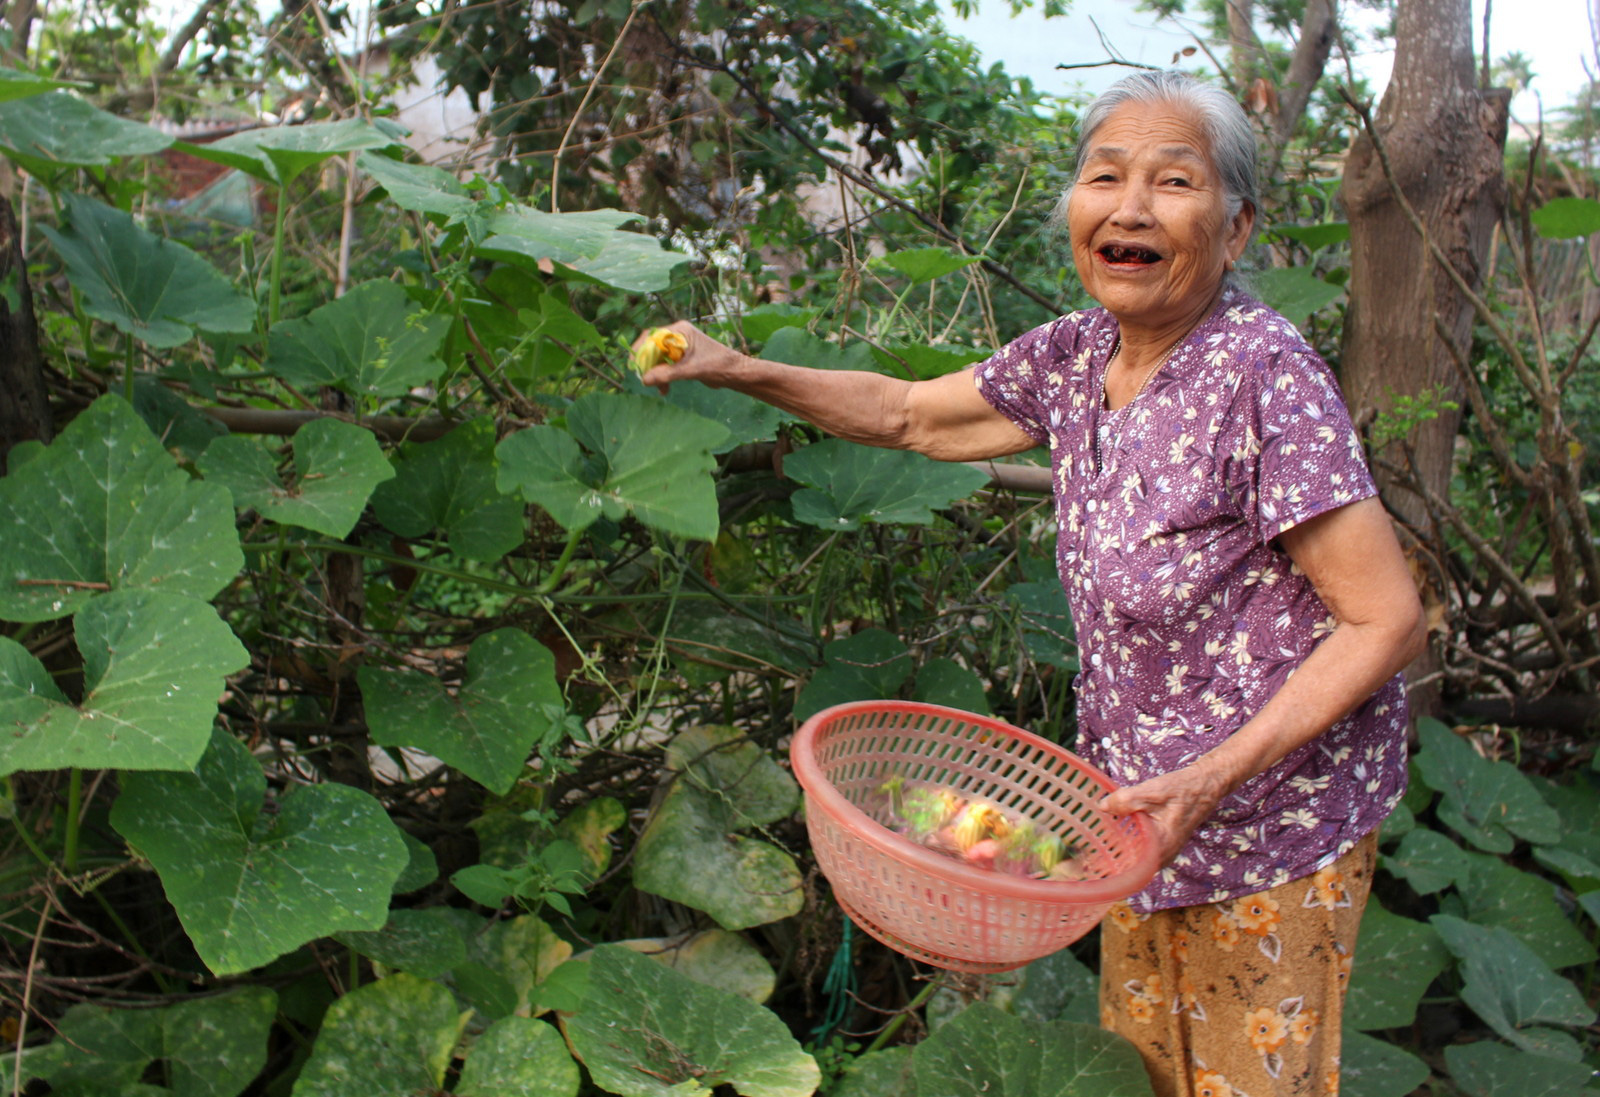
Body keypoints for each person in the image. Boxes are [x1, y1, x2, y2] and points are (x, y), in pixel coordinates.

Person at [636, 69, 1426, 1097]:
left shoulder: (1261, 376)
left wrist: (1209, 778)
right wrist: (739, 366)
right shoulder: (1077, 351)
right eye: (1106, 176)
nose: (1130, 207)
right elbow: (912, 415)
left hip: (1270, 816)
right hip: (1134, 813)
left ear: (1234, 232)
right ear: (1075, 212)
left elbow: (1386, 616)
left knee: (1248, 1082)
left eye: (1173, 182)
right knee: (1143, 1070)